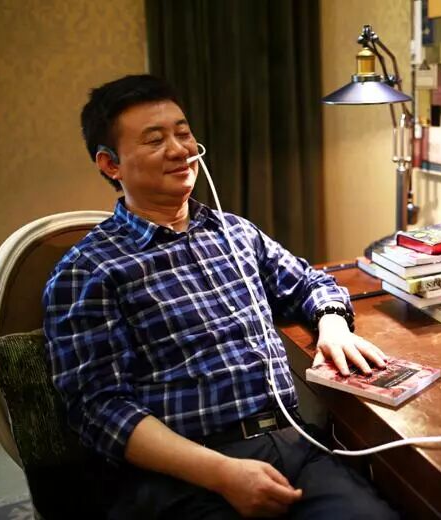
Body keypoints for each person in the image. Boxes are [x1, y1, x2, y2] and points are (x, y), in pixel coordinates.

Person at [43, 74, 399, 519]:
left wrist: (332, 325)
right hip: (187, 473)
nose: (180, 150)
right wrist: (222, 473)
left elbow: (312, 283)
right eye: (155, 140)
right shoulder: (87, 270)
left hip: (293, 442)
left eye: (183, 133)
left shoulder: (234, 232)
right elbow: (100, 411)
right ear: (110, 164)